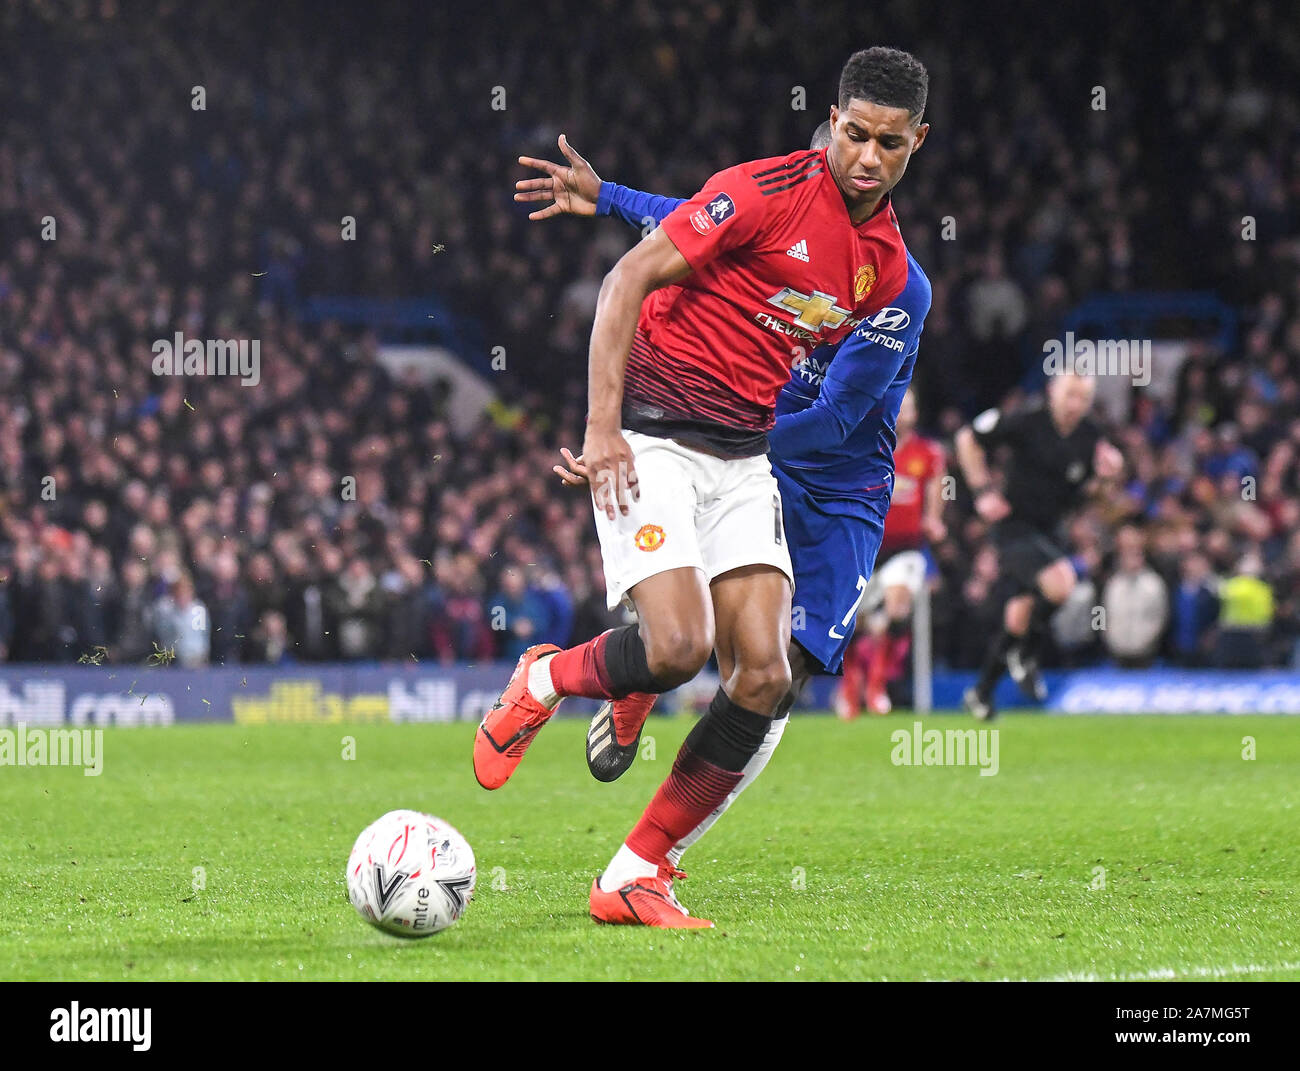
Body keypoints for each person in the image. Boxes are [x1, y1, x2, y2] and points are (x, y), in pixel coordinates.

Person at [477, 47, 931, 930]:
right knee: (682, 647)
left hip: (749, 461)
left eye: (890, 143)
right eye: (855, 134)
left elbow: (834, 400)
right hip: (654, 438)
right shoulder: (764, 188)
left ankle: (636, 870)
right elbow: (631, 273)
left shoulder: (890, 272)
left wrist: (616, 197)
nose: (868, 157)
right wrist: (601, 430)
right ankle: (547, 677)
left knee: (763, 674)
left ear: (918, 141)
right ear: (832, 120)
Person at [954, 373, 1124, 719]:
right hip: (1013, 527)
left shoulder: (1090, 436)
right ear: (1052, 392)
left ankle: (981, 692)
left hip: (1050, 532)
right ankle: (1027, 653)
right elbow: (967, 437)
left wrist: (1108, 478)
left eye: (1083, 397)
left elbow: (1093, 498)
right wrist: (983, 489)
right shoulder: (1026, 419)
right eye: (1069, 395)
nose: (1075, 404)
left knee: (1019, 616)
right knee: (1063, 583)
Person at [840, 387, 946, 716]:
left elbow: (938, 486)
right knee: (853, 620)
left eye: (909, 407)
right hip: (866, 546)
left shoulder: (927, 452)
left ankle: (877, 685)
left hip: (907, 547)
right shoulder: (864, 446)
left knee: (897, 608)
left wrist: (934, 519)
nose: (903, 412)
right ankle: (851, 686)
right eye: (899, 406)